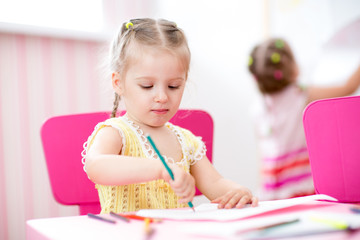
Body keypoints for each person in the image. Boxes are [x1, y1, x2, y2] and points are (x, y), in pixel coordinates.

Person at [82, 18, 258, 214]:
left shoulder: (186, 141)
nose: (162, 97)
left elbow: (215, 183)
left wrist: (237, 192)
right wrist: (159, 169)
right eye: (147, 86)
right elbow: (95, 165)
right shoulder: (116, 133)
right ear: (118, 82)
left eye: (173, 86)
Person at [248, 38, 360, 200]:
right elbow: (347, 88)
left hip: (270, 194)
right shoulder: (300, 94)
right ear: (292, 70)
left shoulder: (257, 107)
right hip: (302, 190)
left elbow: (262, 156)